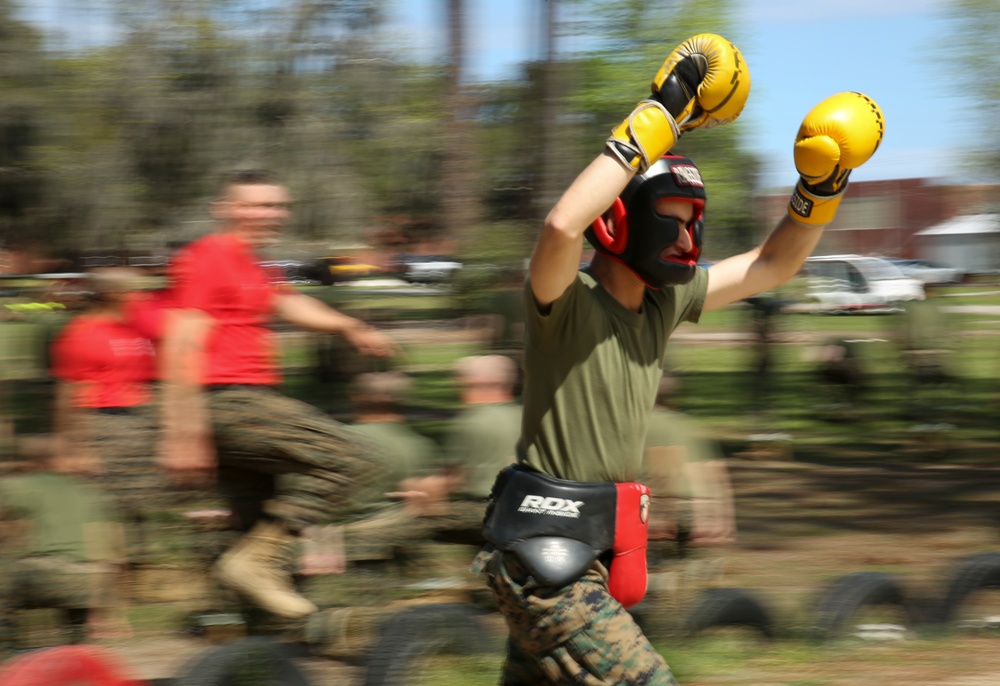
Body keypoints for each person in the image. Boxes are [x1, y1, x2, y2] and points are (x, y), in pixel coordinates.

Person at [474, 33, 884, 683]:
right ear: (619, 221)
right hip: (544, 563)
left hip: (592, 555)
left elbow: (773, 263)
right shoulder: (565, 302)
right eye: (674, 217)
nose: (690, 236)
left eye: (697, 220)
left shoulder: (666, 303)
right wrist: (662, 112)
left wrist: (821, 187)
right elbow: (559, 227)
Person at [158, 169, 396, 620]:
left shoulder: (252, 265)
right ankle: (257, 563)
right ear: (224, 209)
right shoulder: (209, 255)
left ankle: (254, 649)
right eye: (254, 204)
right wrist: (181, 432)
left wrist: (349, 325)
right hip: (230, 401)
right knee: (361, 461)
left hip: (241, 405)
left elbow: (287, 304)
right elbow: (181, 339)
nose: (268, 214)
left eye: (275, 205)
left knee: (253, 523)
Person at [49, 267, 168, 559]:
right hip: (102, 422)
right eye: (133, 290)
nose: (141, 295)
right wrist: (73, 446)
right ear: (111, 294)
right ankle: (106, 565)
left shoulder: (137, 328)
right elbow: (68, 393)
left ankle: (137, 561)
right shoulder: (82, 333)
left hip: (141, 420)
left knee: (140, 501)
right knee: (108, 504)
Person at [0, 435, 129, 648]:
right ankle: (78, 651)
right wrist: (113, 609)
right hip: (95, 582)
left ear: (31, 461)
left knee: (5, 571)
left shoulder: (27, 484)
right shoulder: (90, 490)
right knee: (73, 597)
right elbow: (115, 546)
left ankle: (5, 653)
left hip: (53, 578)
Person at [642, 371, 735, 554]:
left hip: (651, 510)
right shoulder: (688, 425)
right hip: (687, 509)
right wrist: (720, 517)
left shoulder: (637, 425)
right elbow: (712, 471)